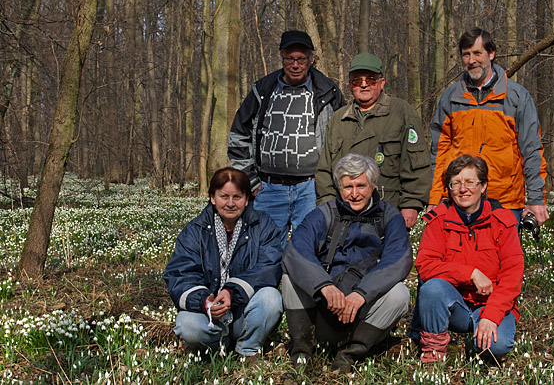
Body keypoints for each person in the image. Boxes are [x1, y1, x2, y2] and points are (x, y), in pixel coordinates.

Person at [282, 153, 412, 373]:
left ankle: (348, 354)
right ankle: (302, 352)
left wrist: (362, 293)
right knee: (289, 277)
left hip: (363, 310)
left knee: (401, 294)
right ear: (339, 188)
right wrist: (323, 286)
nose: (354, 194)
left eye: (360, 185)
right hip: (326, 306)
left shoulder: (390, 216)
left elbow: (398, 260)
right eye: (347, 187)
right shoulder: (325, 213)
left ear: (373, 186)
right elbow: (296, 249)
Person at [228, 30, 345, 247]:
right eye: (290, 58)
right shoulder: (262, 91)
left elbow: (345, 138)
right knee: (264, 250)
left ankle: (301, 283)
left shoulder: (328, 92)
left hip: (312, 188)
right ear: (281, 57)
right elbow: (238, 136)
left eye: (301, 59)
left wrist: (334, 183)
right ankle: (266, 283)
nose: (295, 65)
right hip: (268, 188)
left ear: (311, 59)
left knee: (310, 249)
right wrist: (251, 182)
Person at [428, 27, 549, 226]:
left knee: (505, 258)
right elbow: (439, 153)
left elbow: (532, 151)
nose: (471, 60)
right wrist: (435, 198)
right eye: (466, 55)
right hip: (461, 198)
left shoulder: (516, 96)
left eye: (477, 53)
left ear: (491, 54)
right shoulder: (451, 98)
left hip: (505, 202)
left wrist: (536, 199)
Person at [163, 167, 283, 359]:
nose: (230, 203)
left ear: (246, 199)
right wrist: (204, 302)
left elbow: (269, 267)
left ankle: (247, 348)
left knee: (271, 298)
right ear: (212, 198)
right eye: (223, 196)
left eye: (237, 197)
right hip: (209, 314)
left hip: (243, 310)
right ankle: (217, 345)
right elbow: (180, 274)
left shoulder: (263, 226)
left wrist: (231, 291)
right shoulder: (195, 230)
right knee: (186, 325)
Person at [415, 155, 524, 362]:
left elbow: (513, 275)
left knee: (495, 348)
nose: (462, 189)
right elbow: (425, 265)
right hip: (456, 304)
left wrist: (491, 315)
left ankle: (479, 339)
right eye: (455, 184)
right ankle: (434, 351)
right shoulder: (438, 220)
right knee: (432, 288)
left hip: (492, 304)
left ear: (483, 186)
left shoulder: (503, 222)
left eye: (470, 182)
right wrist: (470, 274)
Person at [315, 52, 430, 229]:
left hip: (389, 211)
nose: (363, 85)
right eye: (356, 80)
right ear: (349, 84)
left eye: (370, 80)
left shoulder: (401, 112)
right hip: (345, 213)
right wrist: (329, 206)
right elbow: (325, 169)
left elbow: (417, 164)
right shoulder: (338, 119)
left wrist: (411, 204)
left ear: (382, 83)